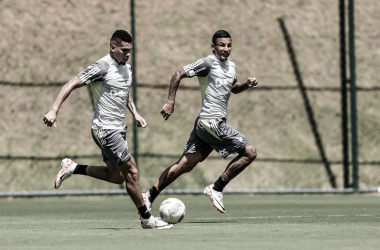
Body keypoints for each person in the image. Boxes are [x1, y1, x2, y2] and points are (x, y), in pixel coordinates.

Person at [43, 30, 172, 229]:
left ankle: (73, 167)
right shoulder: (101, 67)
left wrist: (135, 113)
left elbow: (124, 91)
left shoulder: (127, 67)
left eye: (130, 50)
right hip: (105, 129)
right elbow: (71, 83)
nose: (128, 54)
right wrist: (54, 110)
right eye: (124, 50)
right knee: (132, 172)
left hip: (119, 129)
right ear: (113, 48)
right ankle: (146, 218)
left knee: (117, 176)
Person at [142, 30, 258, 214]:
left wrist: (246, 85)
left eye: (229, 45)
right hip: (210, 123)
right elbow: (177, 74)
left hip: (206, 126)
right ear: (213, 46)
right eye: (221, 45)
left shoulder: (231, 64)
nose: (226, 49)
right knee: (250, 152)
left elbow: (233, 88)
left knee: (183, 166)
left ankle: (148, 196)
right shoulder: (207, 63)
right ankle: (217, 188)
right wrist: (171, 101)